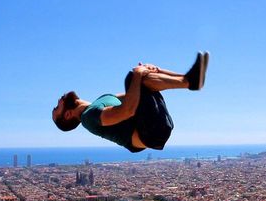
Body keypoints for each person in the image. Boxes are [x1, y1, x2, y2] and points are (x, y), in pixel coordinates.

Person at [52, 52, 209, 153]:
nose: (59, 100)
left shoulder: (98, 102)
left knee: (138, 77)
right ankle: (191, 81)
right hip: (150, 134)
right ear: (67, 114)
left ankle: (190, 78)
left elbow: (135, 94)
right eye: (56, 107)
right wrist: (137, 75)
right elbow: (128, 110)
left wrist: (151, 69)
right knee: (133, 77)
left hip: (154, 126)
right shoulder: (89, 117)